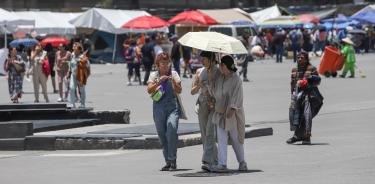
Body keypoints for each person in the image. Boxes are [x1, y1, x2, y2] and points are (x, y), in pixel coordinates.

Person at [147, 52, 185, 171]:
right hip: (158, 107)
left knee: (171, 128)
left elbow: (179, 90)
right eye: (162, 63)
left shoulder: (174, 74)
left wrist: (173, 82)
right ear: (157, 64)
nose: (165, 65)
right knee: (162, 135)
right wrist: (159, 82)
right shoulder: (154, 75)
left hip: (172, 107)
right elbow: (149, 90)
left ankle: (173, 159)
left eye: (167, 62)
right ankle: (168, 161)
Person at [210, 55, 247, 172]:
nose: (219, 67)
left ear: (225, 66)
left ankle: (242, 162)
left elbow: (237, 96)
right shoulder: (220, 77)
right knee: (221, 138)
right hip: (220, 113)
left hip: (232, 114)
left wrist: (232, 109)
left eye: (221, 65)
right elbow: (215, 91)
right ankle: (222, 164)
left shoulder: (236, 79)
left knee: (236, 139)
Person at [191, 51, 219, 171]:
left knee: (210, 131)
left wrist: (211, 86)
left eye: (204, 59)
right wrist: (199, 85)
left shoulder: (218, 72)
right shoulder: (199, 71)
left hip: (214, 105)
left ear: (211, 59)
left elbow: (222, 89)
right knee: (204, 133)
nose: (202, 61)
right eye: (201, 59)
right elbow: (192, 91)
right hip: (202, 104)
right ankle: (215, 160)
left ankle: (206, 160)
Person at [287, 51, 322, 145]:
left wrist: (307, 81)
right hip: (296, 96)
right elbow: (292, 83)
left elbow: (318, 81)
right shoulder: (294, 70)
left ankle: (306, 137)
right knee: (294, 115)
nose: (299, 59)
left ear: (306, 59)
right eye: (298, 57)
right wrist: (292, 94)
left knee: (306, 115)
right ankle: (296, 136)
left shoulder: (312, 69)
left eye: (302, 57)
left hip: (308, 95)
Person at [68, 43, 90, 108]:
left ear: (79, 49)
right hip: (73, 75)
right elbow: (70, 64)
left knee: (81, 90)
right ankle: (72, 103)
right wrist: (68, 72)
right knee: (72, 88)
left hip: (81, 75)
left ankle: (82, 104)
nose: (73, 48)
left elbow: (88, 66)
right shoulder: (72, 55)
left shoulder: (83, 56)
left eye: (75, 47)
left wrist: (82, 62)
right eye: (73, 46)